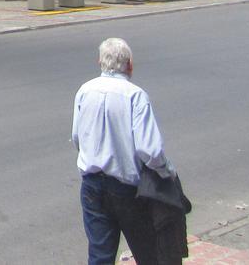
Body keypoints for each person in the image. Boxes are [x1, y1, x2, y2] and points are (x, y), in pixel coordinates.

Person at [72, 38, 174, 265]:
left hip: (92, 185)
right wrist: (168, 172)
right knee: (147, 252)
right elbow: (151, 150)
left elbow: (78, 137)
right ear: (129, 65)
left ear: (100, 62)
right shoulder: (135, 96)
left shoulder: (85, 91)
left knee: (100, 254)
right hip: (126, 188)